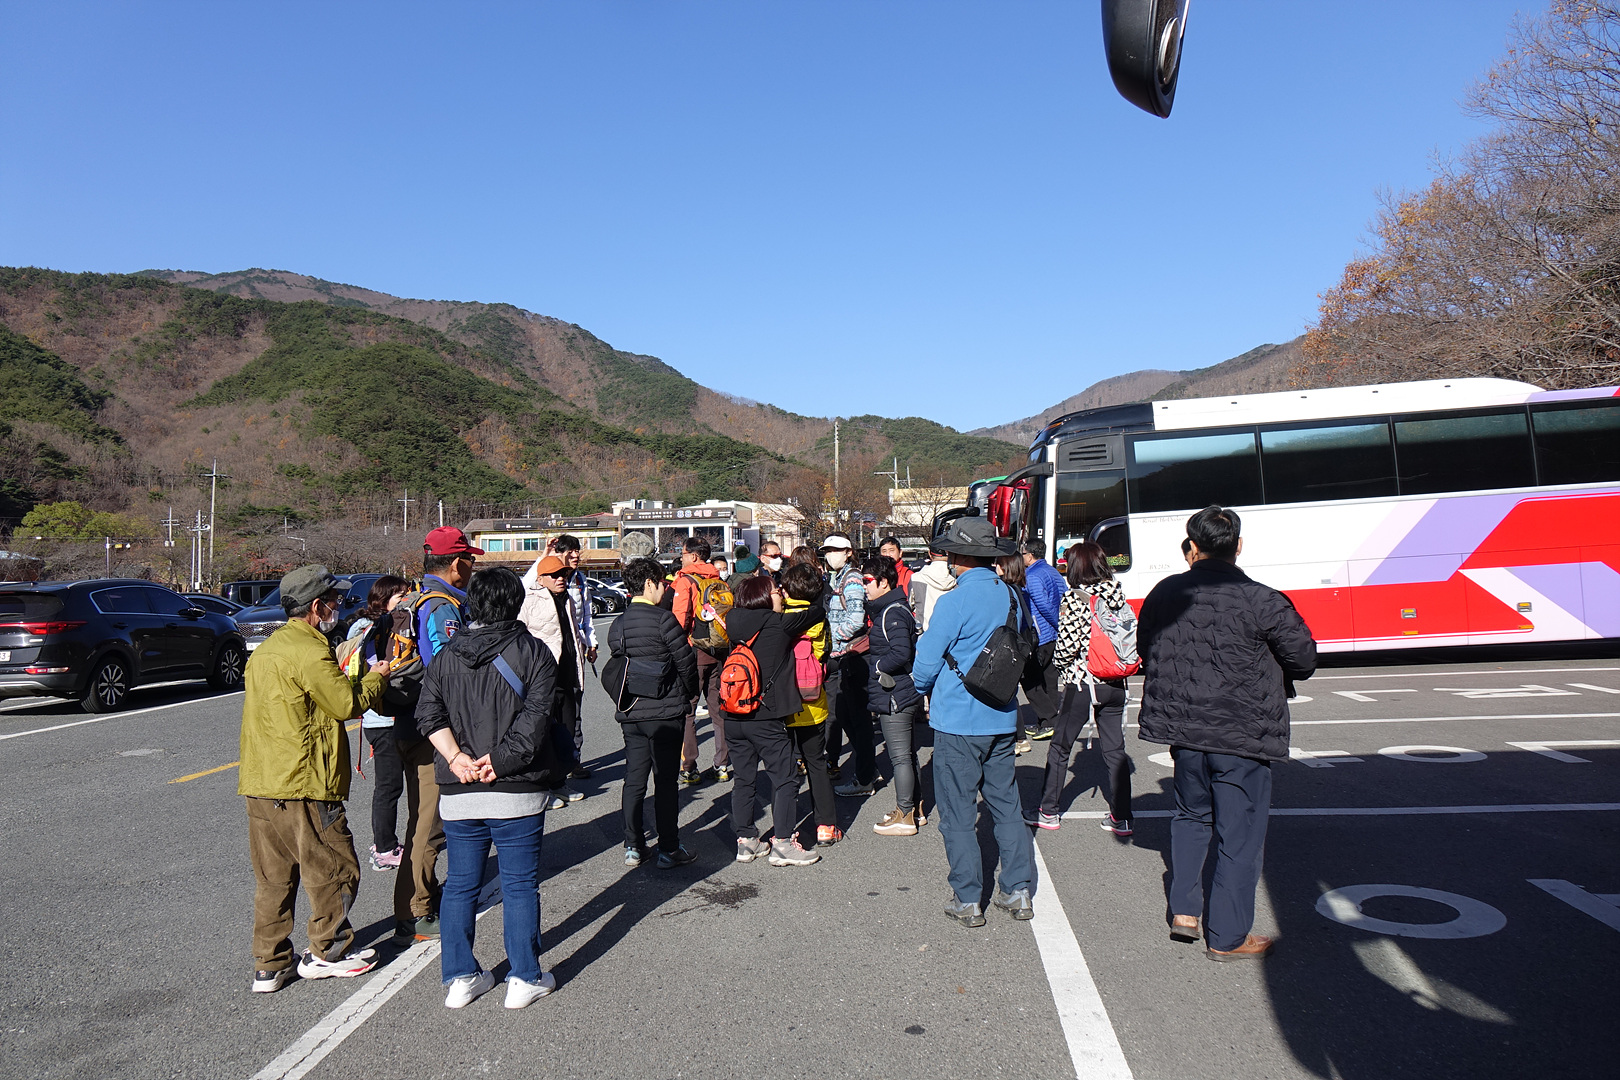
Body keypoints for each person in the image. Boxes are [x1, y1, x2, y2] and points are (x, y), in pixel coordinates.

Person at [1138, 506, 1317, 960]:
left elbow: (1146, 647)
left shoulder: (1164, 593)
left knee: (1190, 818)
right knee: (1240, 836)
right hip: (1242, 732)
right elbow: (1303, 660)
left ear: (1193, 546)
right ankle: (1228, 936)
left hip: (1184, 728)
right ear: (1238, 546)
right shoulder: (1262, 599)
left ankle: (1184, 912)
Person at [416, 567, 562, 1009]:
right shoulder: (533, 652)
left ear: (473, 604)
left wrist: (455, 758)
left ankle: (461, 977)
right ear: (516, 602)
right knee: (519, 885)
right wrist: (496, 762)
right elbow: (534, 722)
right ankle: (524, 977)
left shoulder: (446, 656)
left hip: (459, 788)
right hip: (515, 785)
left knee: (460, 885)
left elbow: (428, 714)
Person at [240, 565, 390, 993]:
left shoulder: (268, 649)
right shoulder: (309, 649)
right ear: (317, 606)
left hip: (261, 781)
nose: (339, 606)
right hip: (304, 781)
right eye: (335, 600)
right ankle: (329, 951)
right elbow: (345, 704)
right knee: (334, 867)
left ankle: (270, 963)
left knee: (274, 878)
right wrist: (377, 677)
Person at [911, 517, 1036, 928]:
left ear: (957, 556)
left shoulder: (955, 601)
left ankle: (968, 898)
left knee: (958, 813)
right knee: (1006, 805)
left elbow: (926, 662)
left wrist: (920, 687)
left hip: (959, 718)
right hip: (1002, 712)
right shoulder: (1011, 595)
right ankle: (1017, 890)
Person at [390, 526, 481, 941]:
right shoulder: (443, 606)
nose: (473, 567)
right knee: (429, 824)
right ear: (457, 563)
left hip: (406, 722)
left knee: (419, 820)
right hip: (431, 729)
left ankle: (415, 902)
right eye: (470, 560)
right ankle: (417, 911)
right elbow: (451, 672)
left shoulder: (413, 598)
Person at [1027, 542, 1133, 834]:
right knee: (1115, 750)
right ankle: (1122, 816)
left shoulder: (1076, 599)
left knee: (1060, 746)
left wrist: (1061, 667)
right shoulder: (1117, 594)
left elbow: (1066, 647)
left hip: (1083, 681)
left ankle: (1049, 811)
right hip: (1116, 680)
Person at [722, 576, 826, 867]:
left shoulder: (732, 621)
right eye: (776, 591)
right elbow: (817, 611)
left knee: (744, 779)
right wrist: (794, 601)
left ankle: (746, 841)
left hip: (733, 713)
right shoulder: (778, 623)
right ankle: (783, 843)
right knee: (785, 778)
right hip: (764, 715)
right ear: (764, 597)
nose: (780, 595)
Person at [609, 556, 700, 867]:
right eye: (661, 582)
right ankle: (669, 848)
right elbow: (686, 663)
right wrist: (690, 693)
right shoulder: (664, 620)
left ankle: (633, 845)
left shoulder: (618, 623)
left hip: (631, 711)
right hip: (665, 711)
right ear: (649, 584)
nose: (665, 588)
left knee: (634, 779)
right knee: (665, 782)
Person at [345, 575, 413, 871]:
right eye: (401, 596)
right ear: (384, 599)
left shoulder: (368, 625)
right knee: (389, 786)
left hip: (383, 716)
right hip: (382, 717)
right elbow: (377, 667)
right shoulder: (371, 628)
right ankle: (384, 848)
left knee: (391, 784)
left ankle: (388, 843)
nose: (406, 600)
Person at [862, 556, 925, 836]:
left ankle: (905, 814)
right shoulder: (893, 608)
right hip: (902, 691)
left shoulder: (892, 612)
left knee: (900, 758)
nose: (864, 586)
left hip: (895, 694)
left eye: (867, 581)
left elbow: (901, 653)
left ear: (884, 582)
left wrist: (877, 666)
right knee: (908, 755)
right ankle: (914, 809)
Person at [520, 554, 589, 808]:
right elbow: (520, 635)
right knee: (542, 734)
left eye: (563, 574)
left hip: (567, 677)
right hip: (541, 680)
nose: (561, 578)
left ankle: (559, 783)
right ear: (540, 579)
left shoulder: (568, 598)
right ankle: (541, 788)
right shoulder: (529, 599)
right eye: (554, 575)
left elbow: (574, 633)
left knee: (566, 732)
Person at [781, 562, 840, 845]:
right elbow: (824, 655)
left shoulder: (778, 618)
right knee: (816, 764)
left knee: (784, 768)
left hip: (783, 703)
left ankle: (784, 829)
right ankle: (826, 826)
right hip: (813, 701)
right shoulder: (818, 619)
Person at [671, 537, 732, 783]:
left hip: (694, 651)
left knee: (689, 710)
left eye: (684, 553)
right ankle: (722, 764)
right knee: (718, 710)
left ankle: (689, 766)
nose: (682, 557)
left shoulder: (686, 581)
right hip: (719, 650)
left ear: (694, 556)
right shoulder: (719, 580)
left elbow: (679, 621)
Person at [823, 533, 877, 796]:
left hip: (850, 654)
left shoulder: (852, 578)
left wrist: (832, 638)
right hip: (842, 655)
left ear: (848, 552)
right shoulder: (837, 577)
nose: (829, 554)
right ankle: (868, 769)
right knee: (846, 715)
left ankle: (865, 776)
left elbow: (856, 619)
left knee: (856, 718)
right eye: (827, 550)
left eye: (835, 550)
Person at [545, 535, 597, 781]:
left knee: (574, 708)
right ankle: (551, 763)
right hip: (548, 655)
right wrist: (544, 554)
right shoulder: (543, 578)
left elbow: (586, 616)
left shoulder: (580, 580)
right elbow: (527, 584)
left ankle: (573, 760)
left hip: (574, 651)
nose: (576, 556)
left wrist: (591, 643)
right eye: (570, 551)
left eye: (578, 551)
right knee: (549, 711)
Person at [1019, 540, 1067, 742]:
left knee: (1030, 679)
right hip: (1053, 635)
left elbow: (1042, 605)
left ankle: (1049, 720)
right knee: (1049, 678)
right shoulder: (1053, 572)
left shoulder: (1032, 576)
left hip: (1042, 635)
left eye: (1023, 554)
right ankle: (1047, 722)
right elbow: (1064, 597)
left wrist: (1055, 623)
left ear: (1030, 555)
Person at [993, 553, 1036, 754]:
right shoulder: (1019, 588)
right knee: (1010, 693)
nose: (995, 567)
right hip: (1019, 646)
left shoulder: (1004, 590)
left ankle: (1018, 738)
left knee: (1005, 693)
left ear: (1006, 567)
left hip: (1008, 647)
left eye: (998, 564)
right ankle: (1019, 738)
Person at [907, 540, 955, 634]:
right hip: (952, 632)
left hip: (925, 632)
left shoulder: (916, 578)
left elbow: (910, 604)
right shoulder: (957, 577)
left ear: (930, 553)